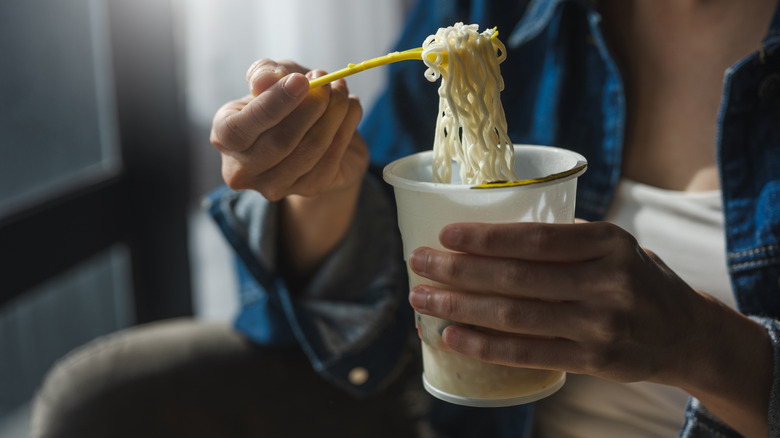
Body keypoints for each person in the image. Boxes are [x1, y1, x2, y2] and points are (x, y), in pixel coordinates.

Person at [31, 0, 780, 437]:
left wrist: (710, 350)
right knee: (101, 400)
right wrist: (318, 187)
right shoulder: (496, 12)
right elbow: (362, 324)